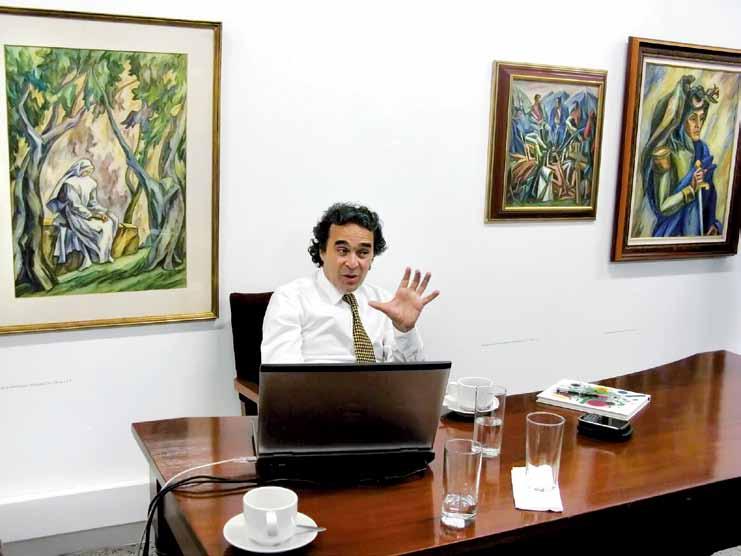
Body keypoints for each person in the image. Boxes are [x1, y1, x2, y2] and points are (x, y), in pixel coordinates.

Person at [261, 203, 440, 363]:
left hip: (380, 390)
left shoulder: (385, 302)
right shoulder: (290, 299)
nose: (353, 263)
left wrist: (405, 331)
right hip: (316, 390)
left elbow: (410, 378)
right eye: (343, 250)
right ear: (322, 251)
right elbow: (283, 377)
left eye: (363, 253)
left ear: (372, 258)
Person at [639, 75, 721, 237]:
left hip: (698, 232)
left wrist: (712, 223)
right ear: (681, 119)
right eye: (692, 119)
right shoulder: (665, 153)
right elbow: (663, 207)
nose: (699, 125)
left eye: (702, 118)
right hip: (671, 234)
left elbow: (709, 192)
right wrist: (690, 189)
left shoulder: (702, 150)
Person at [47, 159, 119, 270]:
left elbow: (92, 203)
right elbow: (75, 205)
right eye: (85, 170)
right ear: (78, 170)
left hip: (87, 212)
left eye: (89, 170)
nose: (87, 173)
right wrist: (93, 215)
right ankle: (97, 256)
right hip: (74, 215)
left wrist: (102, 212)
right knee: (97, 227)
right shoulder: (69, 183)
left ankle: (103, 256)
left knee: (109, 222)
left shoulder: (91, 183)